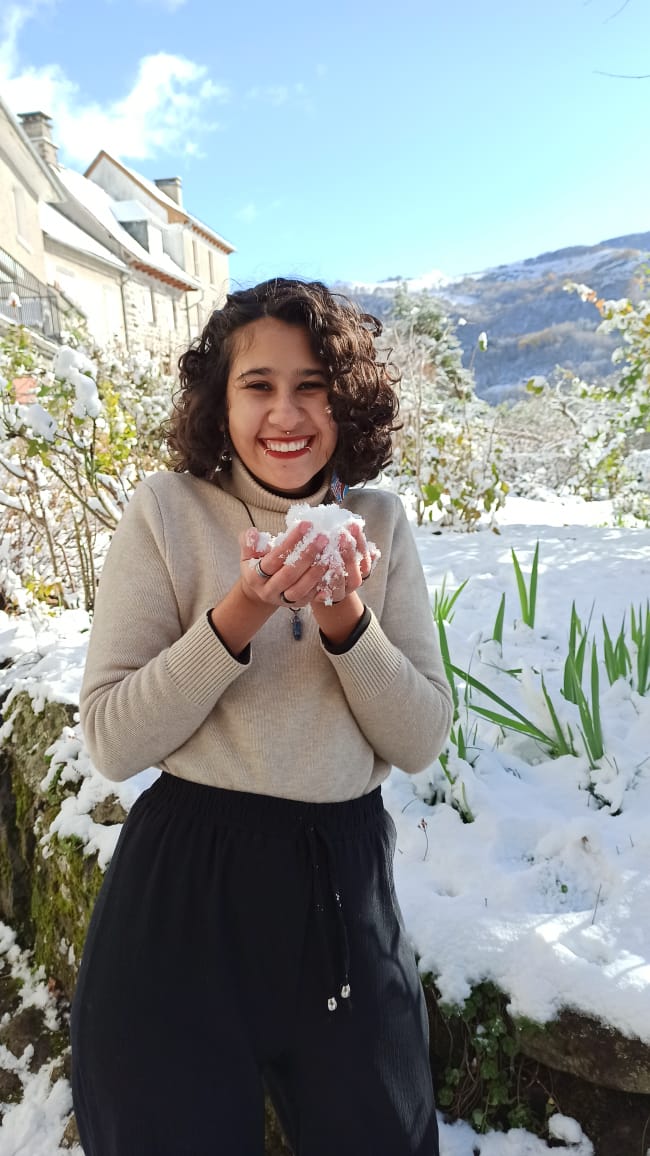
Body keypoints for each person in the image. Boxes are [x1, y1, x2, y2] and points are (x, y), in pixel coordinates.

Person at [71, 277, 453, 1156]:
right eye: (259, 385)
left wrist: (343, 616)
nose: (287, 413)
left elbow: (420, 738)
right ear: (221, 401)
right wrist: (240, 613)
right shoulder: (168, 511)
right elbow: (113, 740)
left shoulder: (378, 523)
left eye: (312, 385)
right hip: (185, 889)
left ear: (346, 400)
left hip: (342, 889)